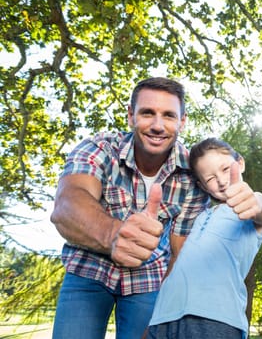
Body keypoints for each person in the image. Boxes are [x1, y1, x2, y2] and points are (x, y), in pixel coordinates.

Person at [50, 77, 210, 339]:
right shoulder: (99, 148)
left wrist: (164, 313)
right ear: (130, 116)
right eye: (148, 113)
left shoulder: (193, 175)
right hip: (87, 272)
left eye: (169, 115)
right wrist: (113, 235)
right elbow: (67, 205)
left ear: (182, 121)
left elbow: (179, 255)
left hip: (149, 282)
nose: (158, 125)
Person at [146, 137, 262, 339]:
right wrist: (154, 318)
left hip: (214, 318)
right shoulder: (199, 217)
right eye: (211, 179)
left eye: (225, 169)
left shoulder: (248, 208)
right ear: (203, 186)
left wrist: (257, 202)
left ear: (240, 163)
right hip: (164, 317)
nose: (221, 180)